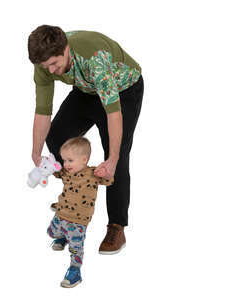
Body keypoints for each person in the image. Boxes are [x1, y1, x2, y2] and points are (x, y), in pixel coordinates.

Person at [28, 25, 144, 254]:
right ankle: (74, 197)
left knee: (116, 157)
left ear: (66, 49)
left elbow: (113, 113)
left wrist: (111, 159)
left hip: (123, 89)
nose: (51, 71)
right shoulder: (44, 64)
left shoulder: (95, 60)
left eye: (54, 64)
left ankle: (116, 226)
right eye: (45, 66)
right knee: (57, 137)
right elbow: (42, 111)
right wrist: (35, 152)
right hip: (88, 89)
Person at [47, 137, 113, 288]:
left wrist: (105, 173)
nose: (66, 164)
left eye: (70, 160)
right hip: (61, 213)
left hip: (78, 220)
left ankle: (75, 271)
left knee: (75, 247)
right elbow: (56, 171)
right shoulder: (65, 172)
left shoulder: (93, 173)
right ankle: (63, 237)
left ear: (84, 159)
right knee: (50, 232)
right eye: (64, 160)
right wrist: (49, 165)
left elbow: (109, 181)